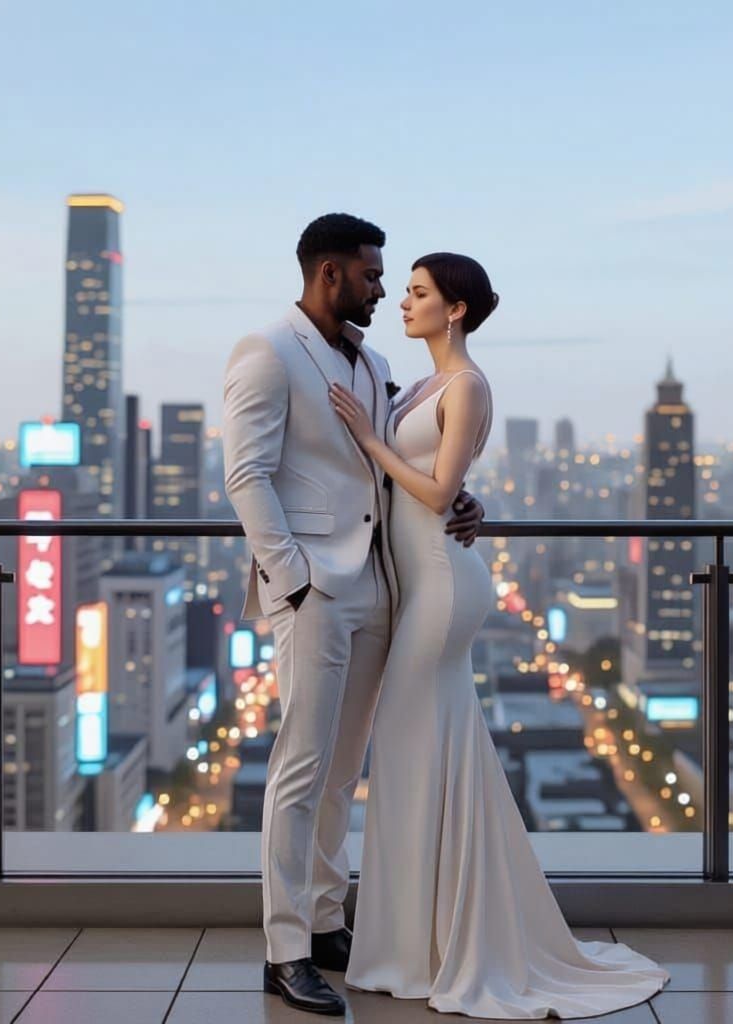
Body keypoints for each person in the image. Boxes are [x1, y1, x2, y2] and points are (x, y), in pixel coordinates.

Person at [329, 252, 671, 1019]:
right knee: (424, 756)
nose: (403, 302)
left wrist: (373, 442)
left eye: (418, 292)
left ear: (454, 309)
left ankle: (428, 945)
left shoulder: (468, 385)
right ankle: (422, 939)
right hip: (421, 582)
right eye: (405, 290)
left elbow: (436, 491)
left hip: (445, 588)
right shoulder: (419, 385)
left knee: (414, 751)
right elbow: (442, 486)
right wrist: (441, 483)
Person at [222, 215, 484, 1016]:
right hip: (314, 591)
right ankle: (285, 951)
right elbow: (246, 475)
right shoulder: (268, 350)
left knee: (342, 772)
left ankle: (326, 919)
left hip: (378, 585)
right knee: (301, 769)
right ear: (329, 272)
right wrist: (293, 580)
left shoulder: (374, 364)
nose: (382, 289)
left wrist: (462, 500)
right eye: (372, 276)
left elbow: (396, 468)